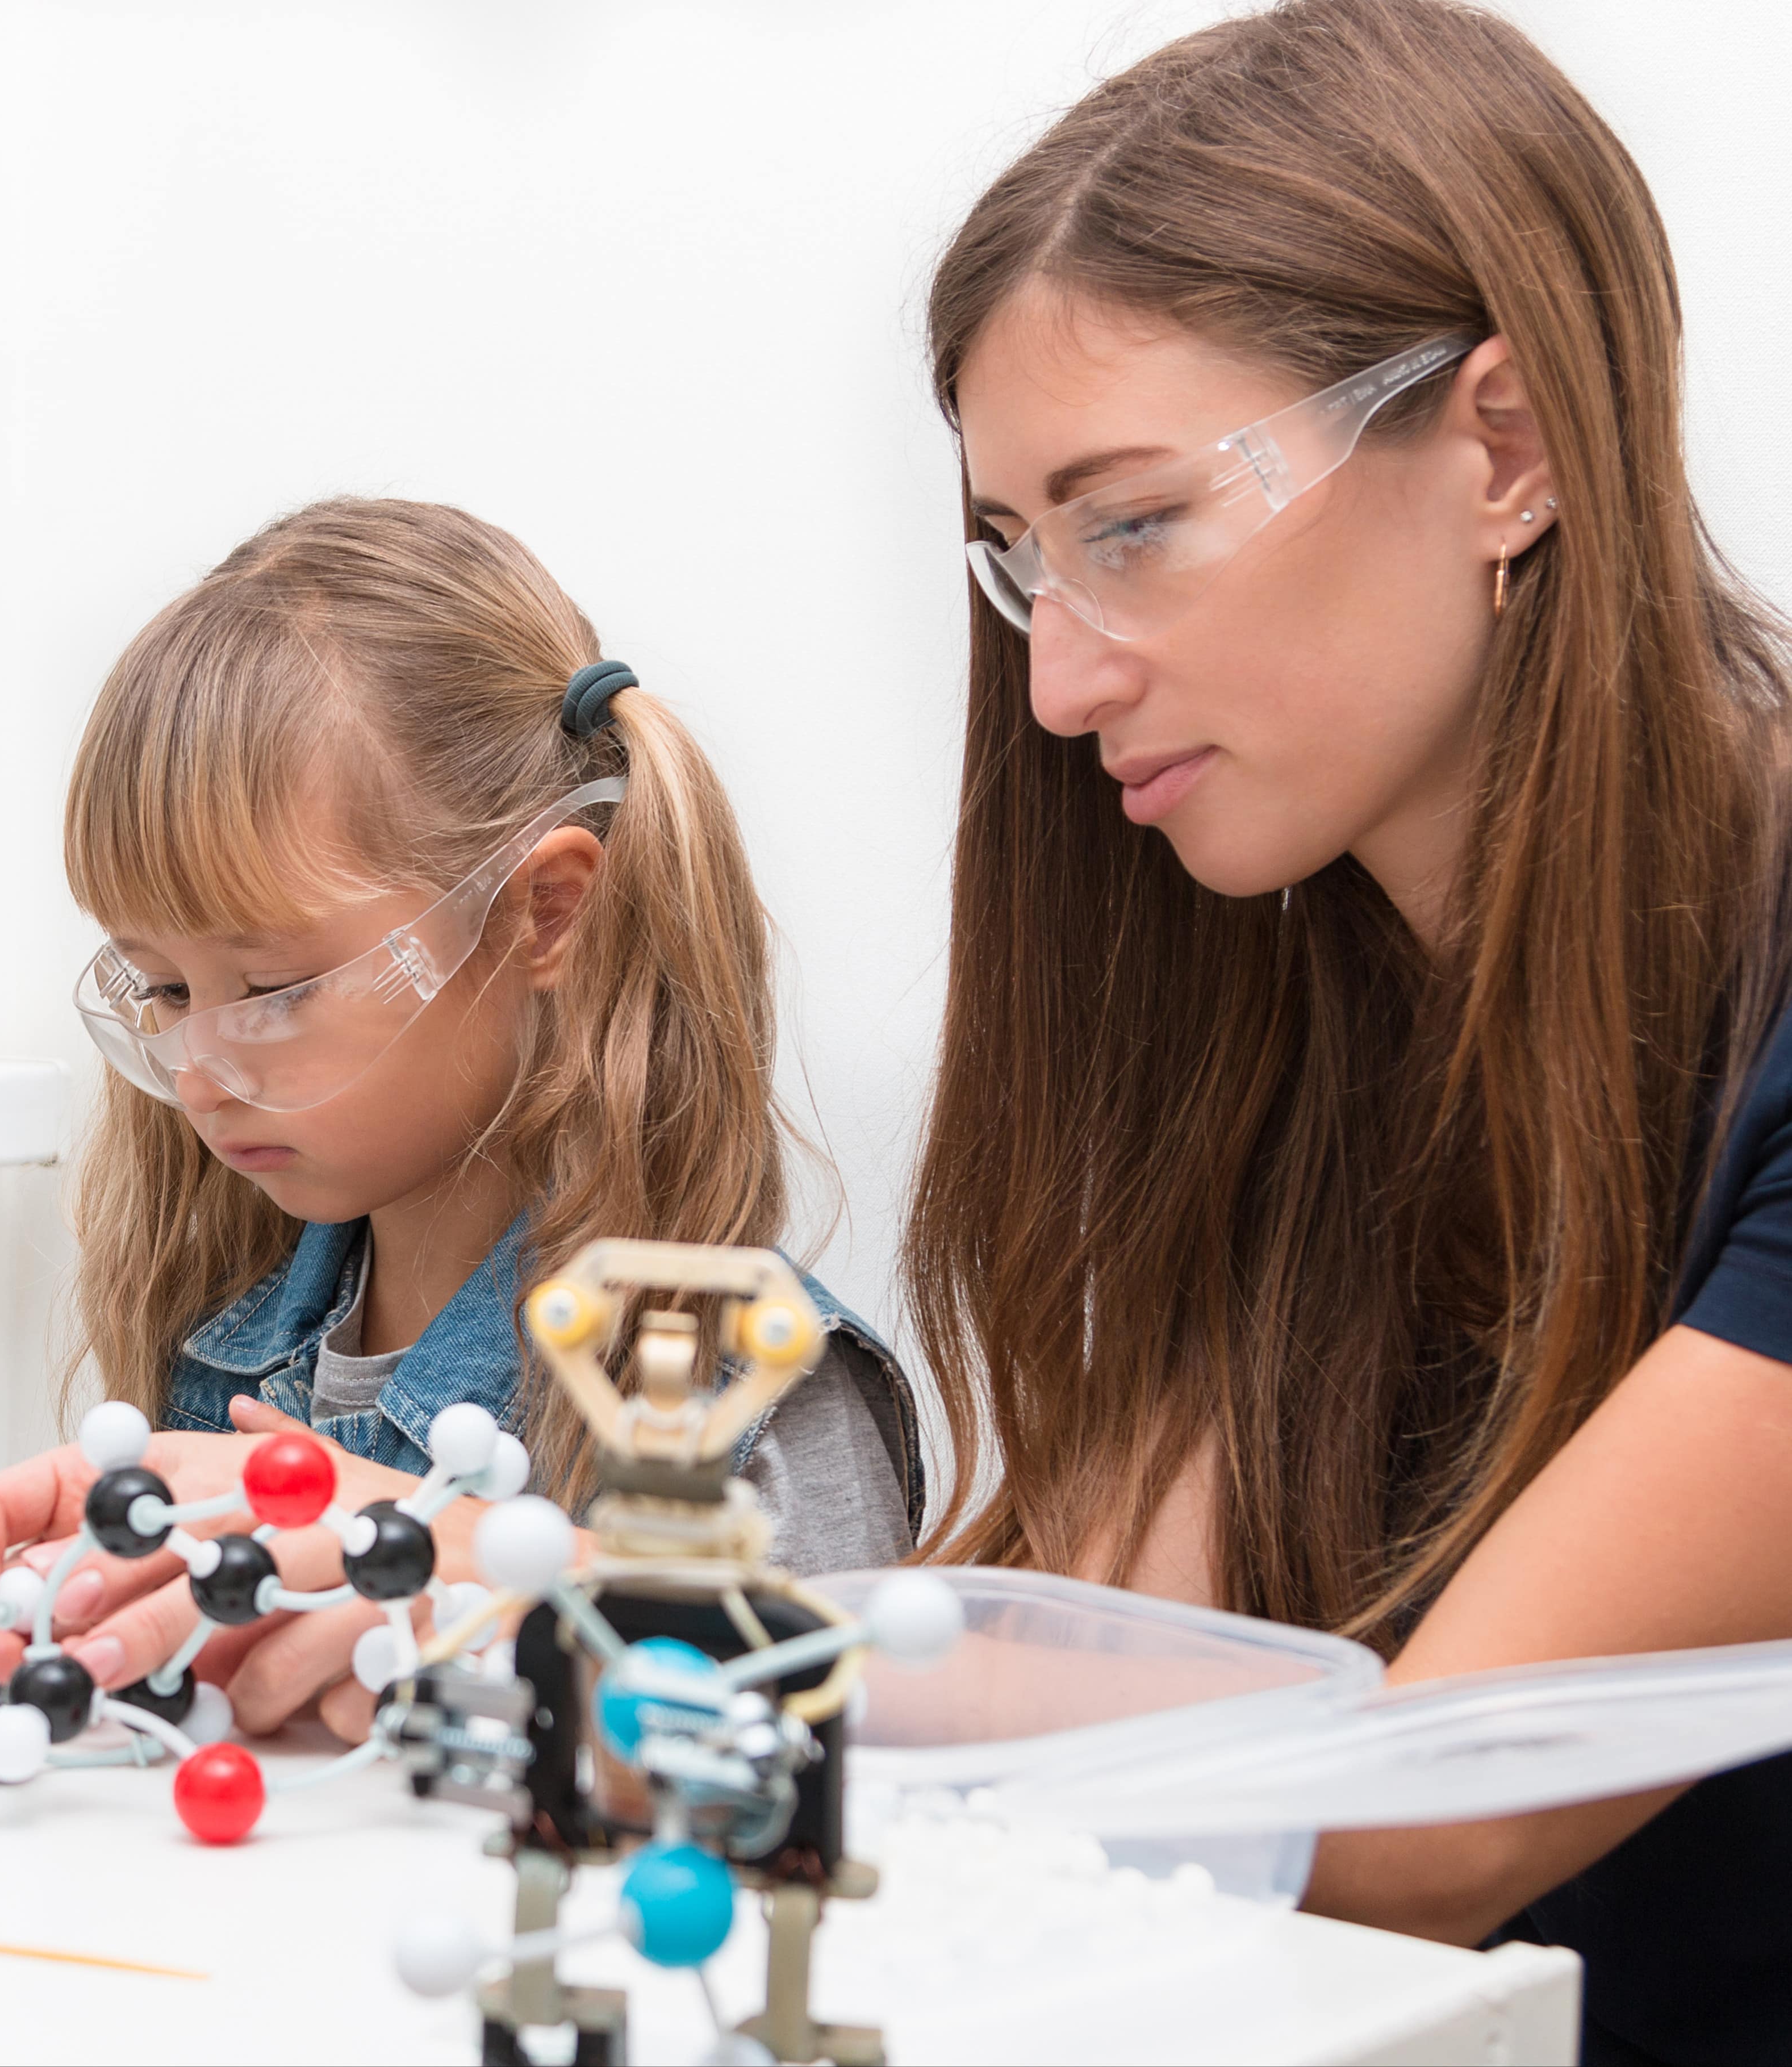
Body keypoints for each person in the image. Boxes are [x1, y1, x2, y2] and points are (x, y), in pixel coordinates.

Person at [907, 2, 1792, 2058]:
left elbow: (1420, 1812)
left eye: (1133, 523)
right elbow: (1115, 1649)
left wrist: (603, 1645)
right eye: (1019, 556)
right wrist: (449, 1618)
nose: (1056, 683)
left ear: (1505, 449)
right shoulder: (1325, 1007)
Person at [0, 497, 920, 1746]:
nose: (199, 1067)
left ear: (542, 913)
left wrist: (490, 1606)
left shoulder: (736, 1391)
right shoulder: (222, 1347)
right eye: (164, 990)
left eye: (276, 989)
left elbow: (852, 1752)